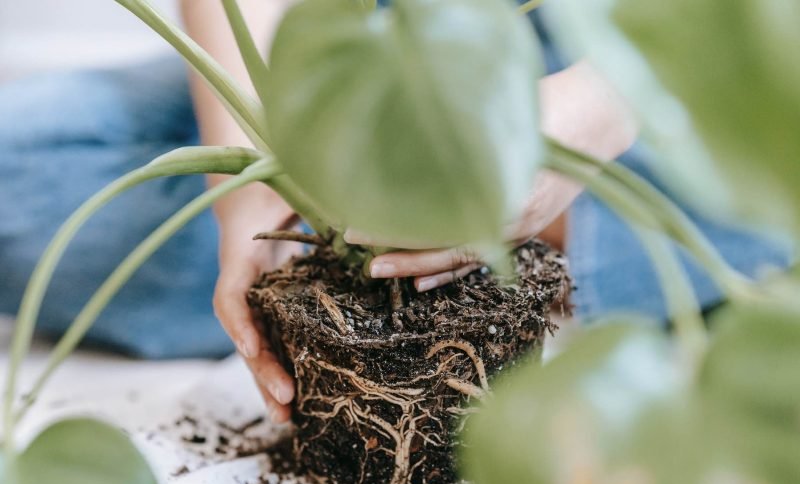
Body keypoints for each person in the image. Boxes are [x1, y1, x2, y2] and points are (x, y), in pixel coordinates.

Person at [0, 1, 790, 423]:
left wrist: (589, 117)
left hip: (654, 49)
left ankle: (489, 212)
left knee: (765, 187)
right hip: (378, 40)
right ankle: (420, 200)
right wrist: (246, 199)